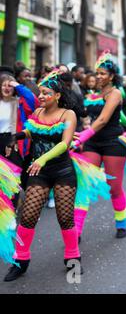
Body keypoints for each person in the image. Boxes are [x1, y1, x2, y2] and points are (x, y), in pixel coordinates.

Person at [3, 70, 80, 281]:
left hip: (62, 170)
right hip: (40, 172)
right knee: (28, 216)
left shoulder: (67, 114)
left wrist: (42, 158)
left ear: (57, 95)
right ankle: (21, 260)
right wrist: (16, 136)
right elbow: (33, 130)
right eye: (41, 93)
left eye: (47, 93)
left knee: (65, 218)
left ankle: (73, 258)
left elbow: (65, 143)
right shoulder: (37, 112)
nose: (42, 96)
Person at [74, 51, 126, 238]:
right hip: (93, 143)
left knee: (114, 187)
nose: (99, 76)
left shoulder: (115, 93)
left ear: (112, 76)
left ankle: (121, 223)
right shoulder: (93, 95)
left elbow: (104, 119)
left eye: (103, 73)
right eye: (97, 73)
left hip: (113, 143)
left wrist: (83, 136)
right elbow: (89, 117)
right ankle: (76, 231)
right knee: (84, 185)